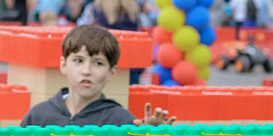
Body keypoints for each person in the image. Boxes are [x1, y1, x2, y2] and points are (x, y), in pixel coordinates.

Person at [20, 25, 175, 127]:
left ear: (111, 73)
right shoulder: (38, 117)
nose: (86, 71)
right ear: (64, 65)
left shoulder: (121, 121)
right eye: (78, 60)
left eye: (98, 63)